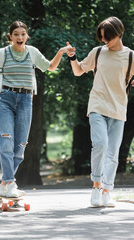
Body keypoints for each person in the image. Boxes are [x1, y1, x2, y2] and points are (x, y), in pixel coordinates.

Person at [0, 21, 73, 198]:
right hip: (5, 100)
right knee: (6, 142)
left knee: (20, 148)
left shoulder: (32, 53)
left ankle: (4, 184)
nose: (20, 37)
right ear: (10, 37)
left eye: (23, 34)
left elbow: (51, 67)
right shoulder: (2, 54)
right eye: (16, 34)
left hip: (26, 100)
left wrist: (61, 52)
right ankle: (10, 182)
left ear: (27, 36)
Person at [67, 16, 134, 207]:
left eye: (108, 37)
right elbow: (79, 70)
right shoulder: (98, 53)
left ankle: (106, 191)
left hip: (118, 109)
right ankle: (96, 187)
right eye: (102, 37)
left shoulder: (130, 56)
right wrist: (73, 57)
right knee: (101, 144)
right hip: (97, 106)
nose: (104, 41)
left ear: (119, 33)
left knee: (113, 154)